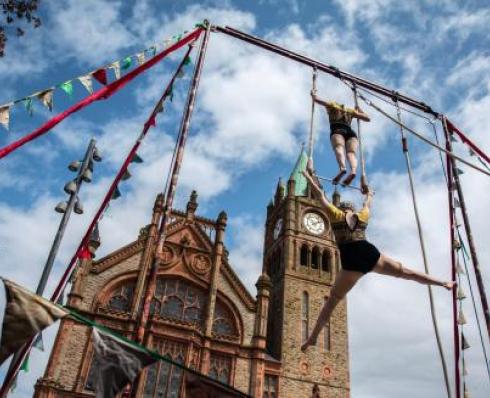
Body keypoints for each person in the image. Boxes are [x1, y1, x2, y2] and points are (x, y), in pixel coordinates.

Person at [300, 171, 455, 352]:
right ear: (352, 209)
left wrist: (308, 177)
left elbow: (319, 195)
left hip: (351, 262)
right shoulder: (363, 215)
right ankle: (443, 282)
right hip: (369, 254)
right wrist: (370, 194)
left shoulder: (335, 214)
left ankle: (312, 338)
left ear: (342, 209)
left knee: (332, 301)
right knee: (407, 273)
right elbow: (368, 203)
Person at [311, 91, 370, 187]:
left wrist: (313, 95)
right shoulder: (349, 111)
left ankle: (342, 168)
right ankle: (353, 171)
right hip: (351, 134)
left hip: (337, 130)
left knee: (339, 147)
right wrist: (359, 109)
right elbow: (367, 118)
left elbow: (318, 100)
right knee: (351, 153)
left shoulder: (332, 105)